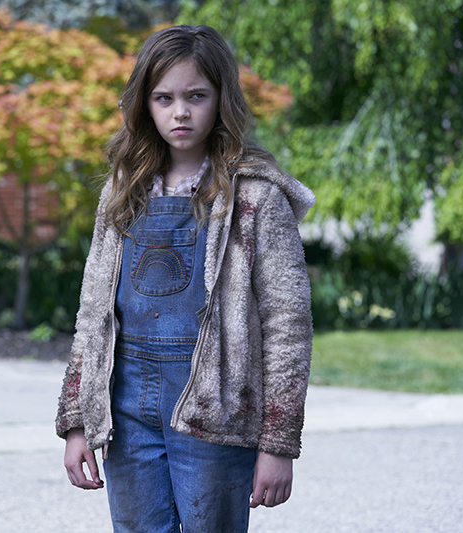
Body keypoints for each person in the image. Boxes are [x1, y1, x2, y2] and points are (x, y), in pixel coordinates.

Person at [55, 25, 314, 533]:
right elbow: (93, 314)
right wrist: (78, 420)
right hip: (127, 414)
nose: (180, 112)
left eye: (196, 96)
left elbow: (288, 326)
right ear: (144, 104)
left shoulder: (255, 197)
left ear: (221, 99)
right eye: (164, 98)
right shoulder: (122, 192)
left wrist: (278, 443)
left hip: (216, 413)